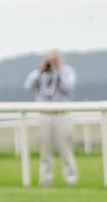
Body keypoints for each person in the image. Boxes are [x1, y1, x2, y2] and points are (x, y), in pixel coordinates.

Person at [25, 49, 79, 186]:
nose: (53, 63)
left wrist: (58, 72)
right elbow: (28, 85)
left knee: (65, 148)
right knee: (44, 149)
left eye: (56, 59)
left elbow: (68, 88)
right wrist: (40, 71)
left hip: (62, 114)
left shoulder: (67, 72)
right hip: (44, 114)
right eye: (50, 60)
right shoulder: (39, 73)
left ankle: (71, 178)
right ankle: (46, 179)